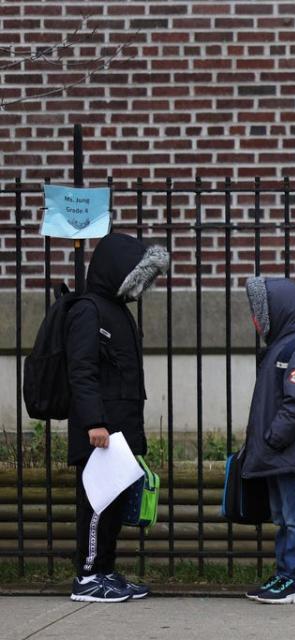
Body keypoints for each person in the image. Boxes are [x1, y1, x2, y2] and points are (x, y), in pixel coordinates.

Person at [68, 233, 169, 602]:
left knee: (111, 508)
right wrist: (95, 421)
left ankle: (105, 571)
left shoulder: (116, 311)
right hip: (100, 432)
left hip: (120, 431)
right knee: (96, 506)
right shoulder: (87, 310)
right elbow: (81, 370)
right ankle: (87, 577)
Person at [242, 277, 295, 604]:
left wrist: (273, 438)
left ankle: (294, 580)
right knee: (282, 518)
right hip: (275, 453)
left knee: (294, 516)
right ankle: (283, 575)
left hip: (287, 454)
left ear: (275, 312)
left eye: (258, 311)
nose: (255, 319)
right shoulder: (276, 350)